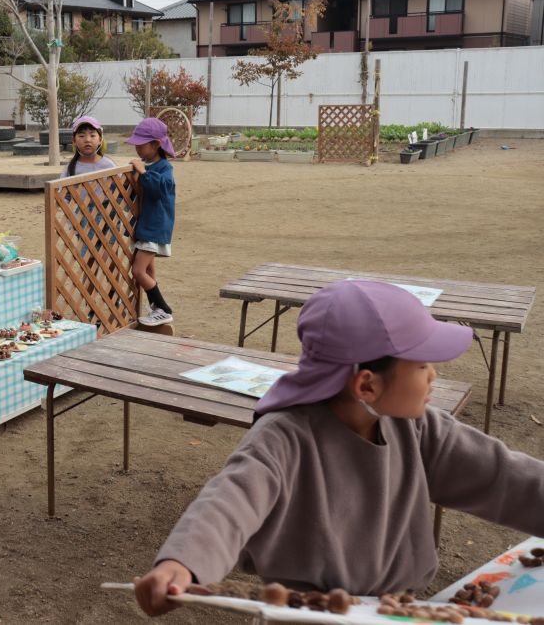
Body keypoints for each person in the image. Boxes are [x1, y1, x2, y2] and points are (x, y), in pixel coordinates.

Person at [133, 280, 544, 616]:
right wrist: (181, 564)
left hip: (397, 609)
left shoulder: (419, 429)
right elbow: (229, 502)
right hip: (308, 614)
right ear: (367, 384)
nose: (434, 375)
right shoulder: (284, 438)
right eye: (421, 365)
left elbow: (503, 476)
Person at [125, 117, 176, 327]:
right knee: (148, 271)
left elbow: (159, 188)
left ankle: (164, 309)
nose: (137, 147)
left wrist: (143, 173)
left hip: (155, 227)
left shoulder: (164, 168)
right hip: (148, 226)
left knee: (138, 271)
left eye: (141, 143)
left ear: (155, 144)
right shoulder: (151, 165)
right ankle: (156, 309)